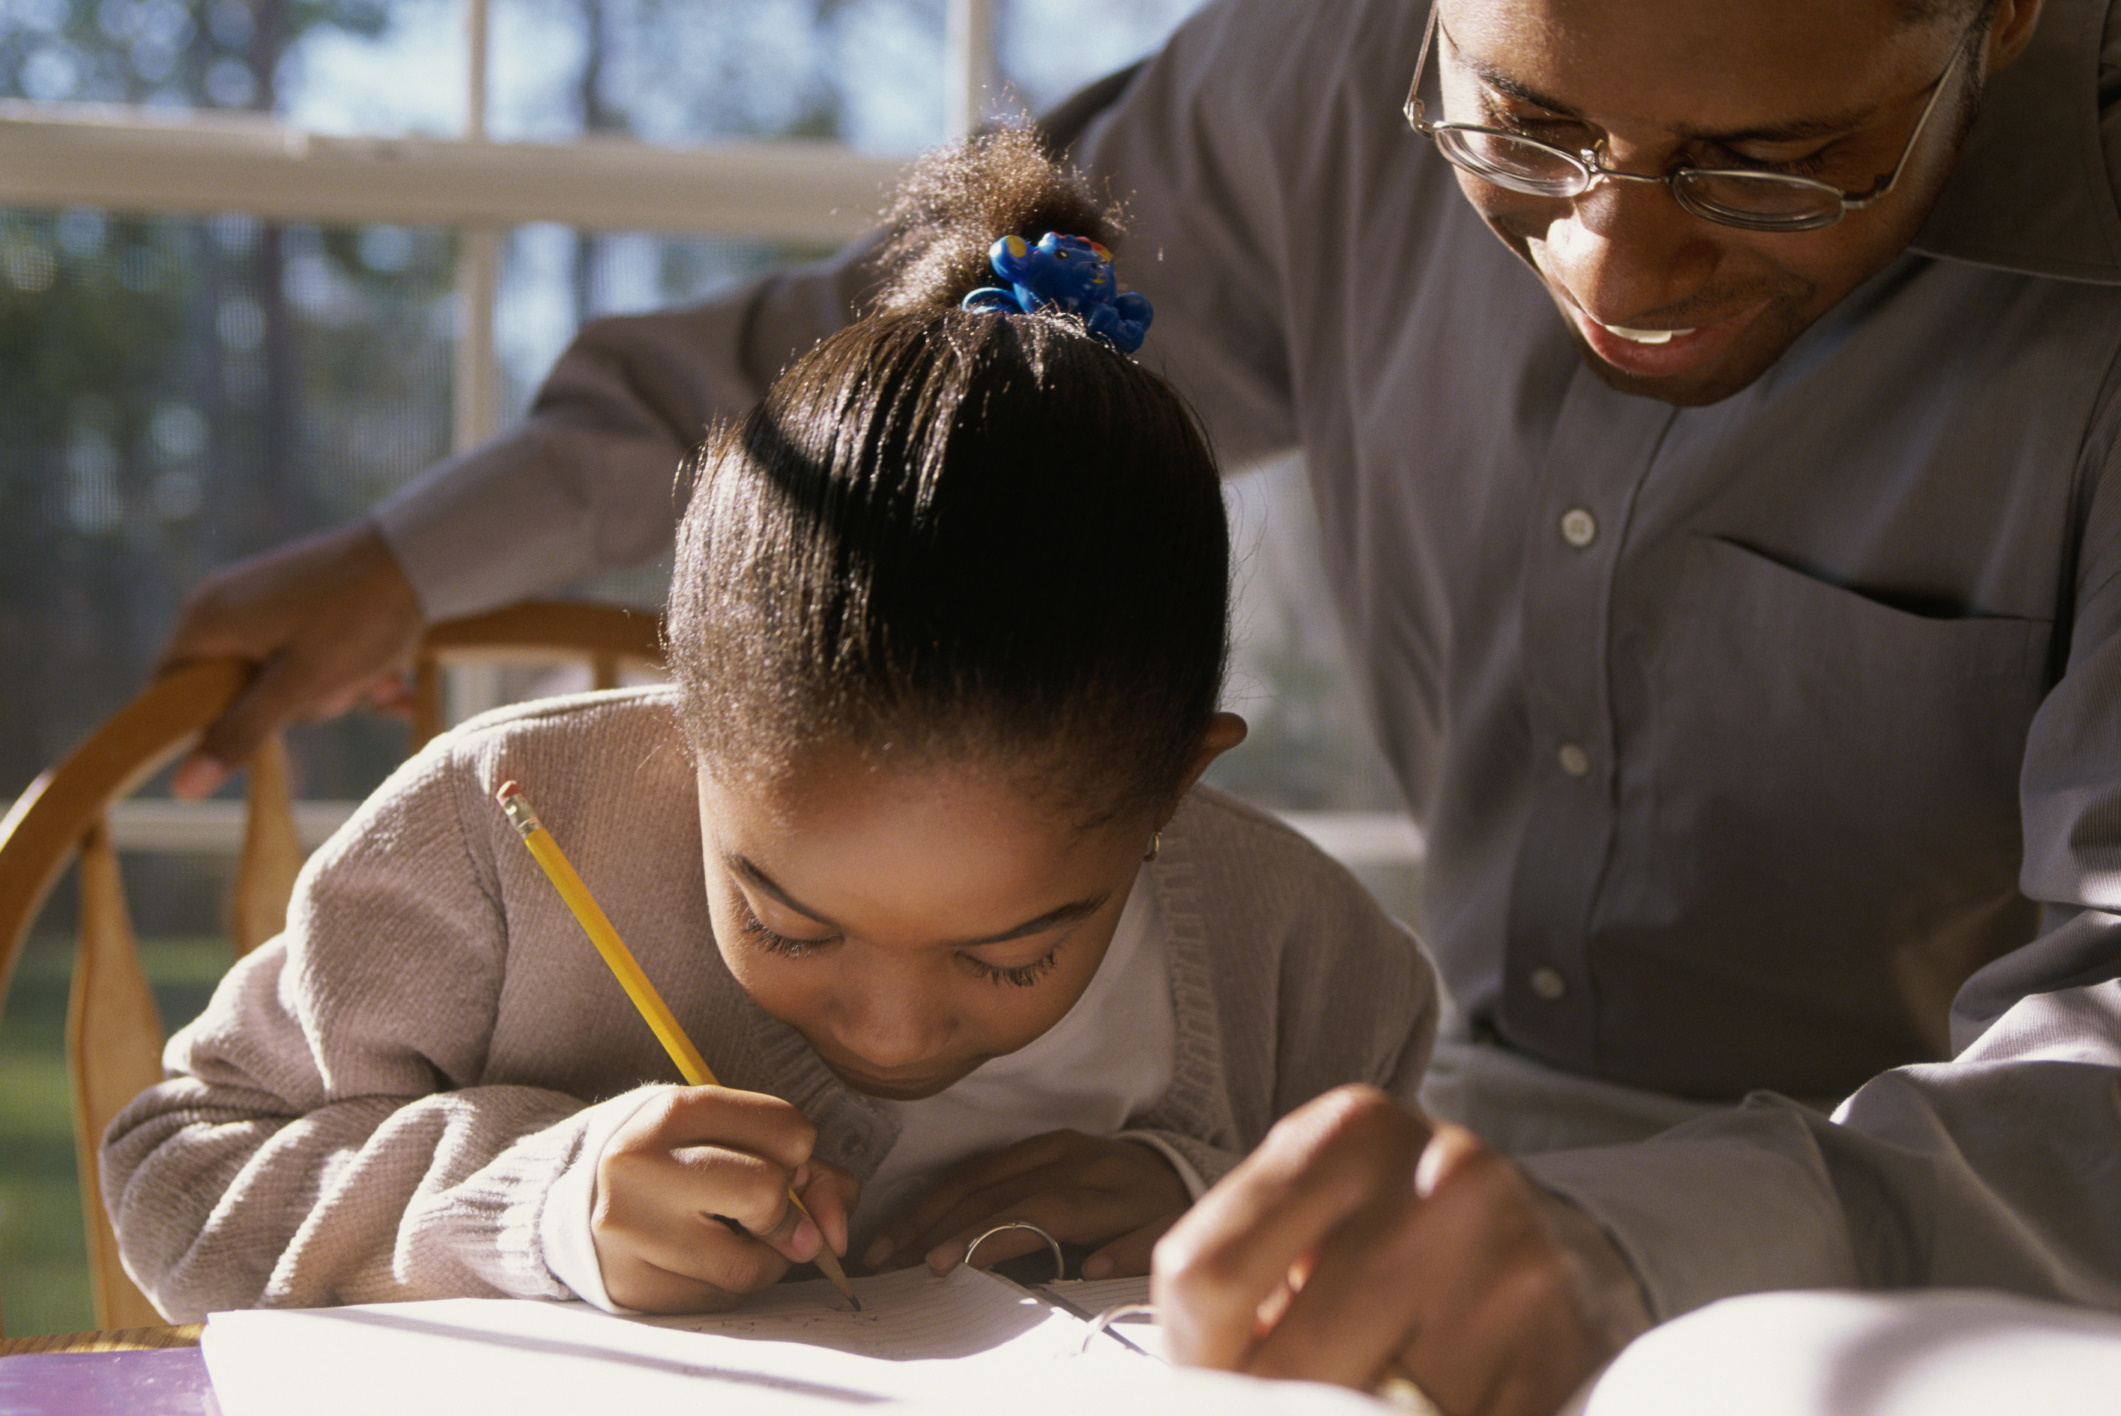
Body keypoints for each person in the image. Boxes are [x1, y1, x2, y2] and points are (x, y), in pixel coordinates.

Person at [154, 0, 2121, 1409]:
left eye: (1772, 165)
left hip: (1935, 1254)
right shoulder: (1312, 84)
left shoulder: (1276, 969)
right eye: (1517, 128)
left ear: (2003, 23)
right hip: (1419, 1164)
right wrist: (420, 557)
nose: (1611, 255)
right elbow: (890, 353)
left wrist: (1620, 1251)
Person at [99, 131, 1437, 1322]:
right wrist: (535, 1204)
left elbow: (1418, 1273)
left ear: (1171, 788)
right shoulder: (492, 843)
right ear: (690, 722)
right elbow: (175, 1182)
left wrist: (1198, 1195)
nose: (897, 1030)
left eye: (1010, 958)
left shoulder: (1313, 975)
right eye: (787, 923)